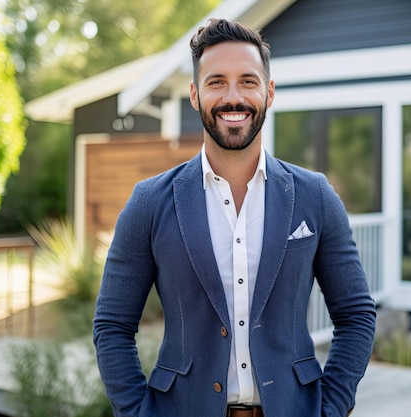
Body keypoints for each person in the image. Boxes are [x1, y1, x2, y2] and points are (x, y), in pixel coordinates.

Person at [93, 18, 376, 417]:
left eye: (247, 81)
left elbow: (356, 315)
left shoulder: (315, 196)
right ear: (194, 94)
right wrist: (138, 412)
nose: (233, 97)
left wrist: (331, 408)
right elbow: (112, 326)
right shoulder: (149, 203)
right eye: (216, 82)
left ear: (269, 92)